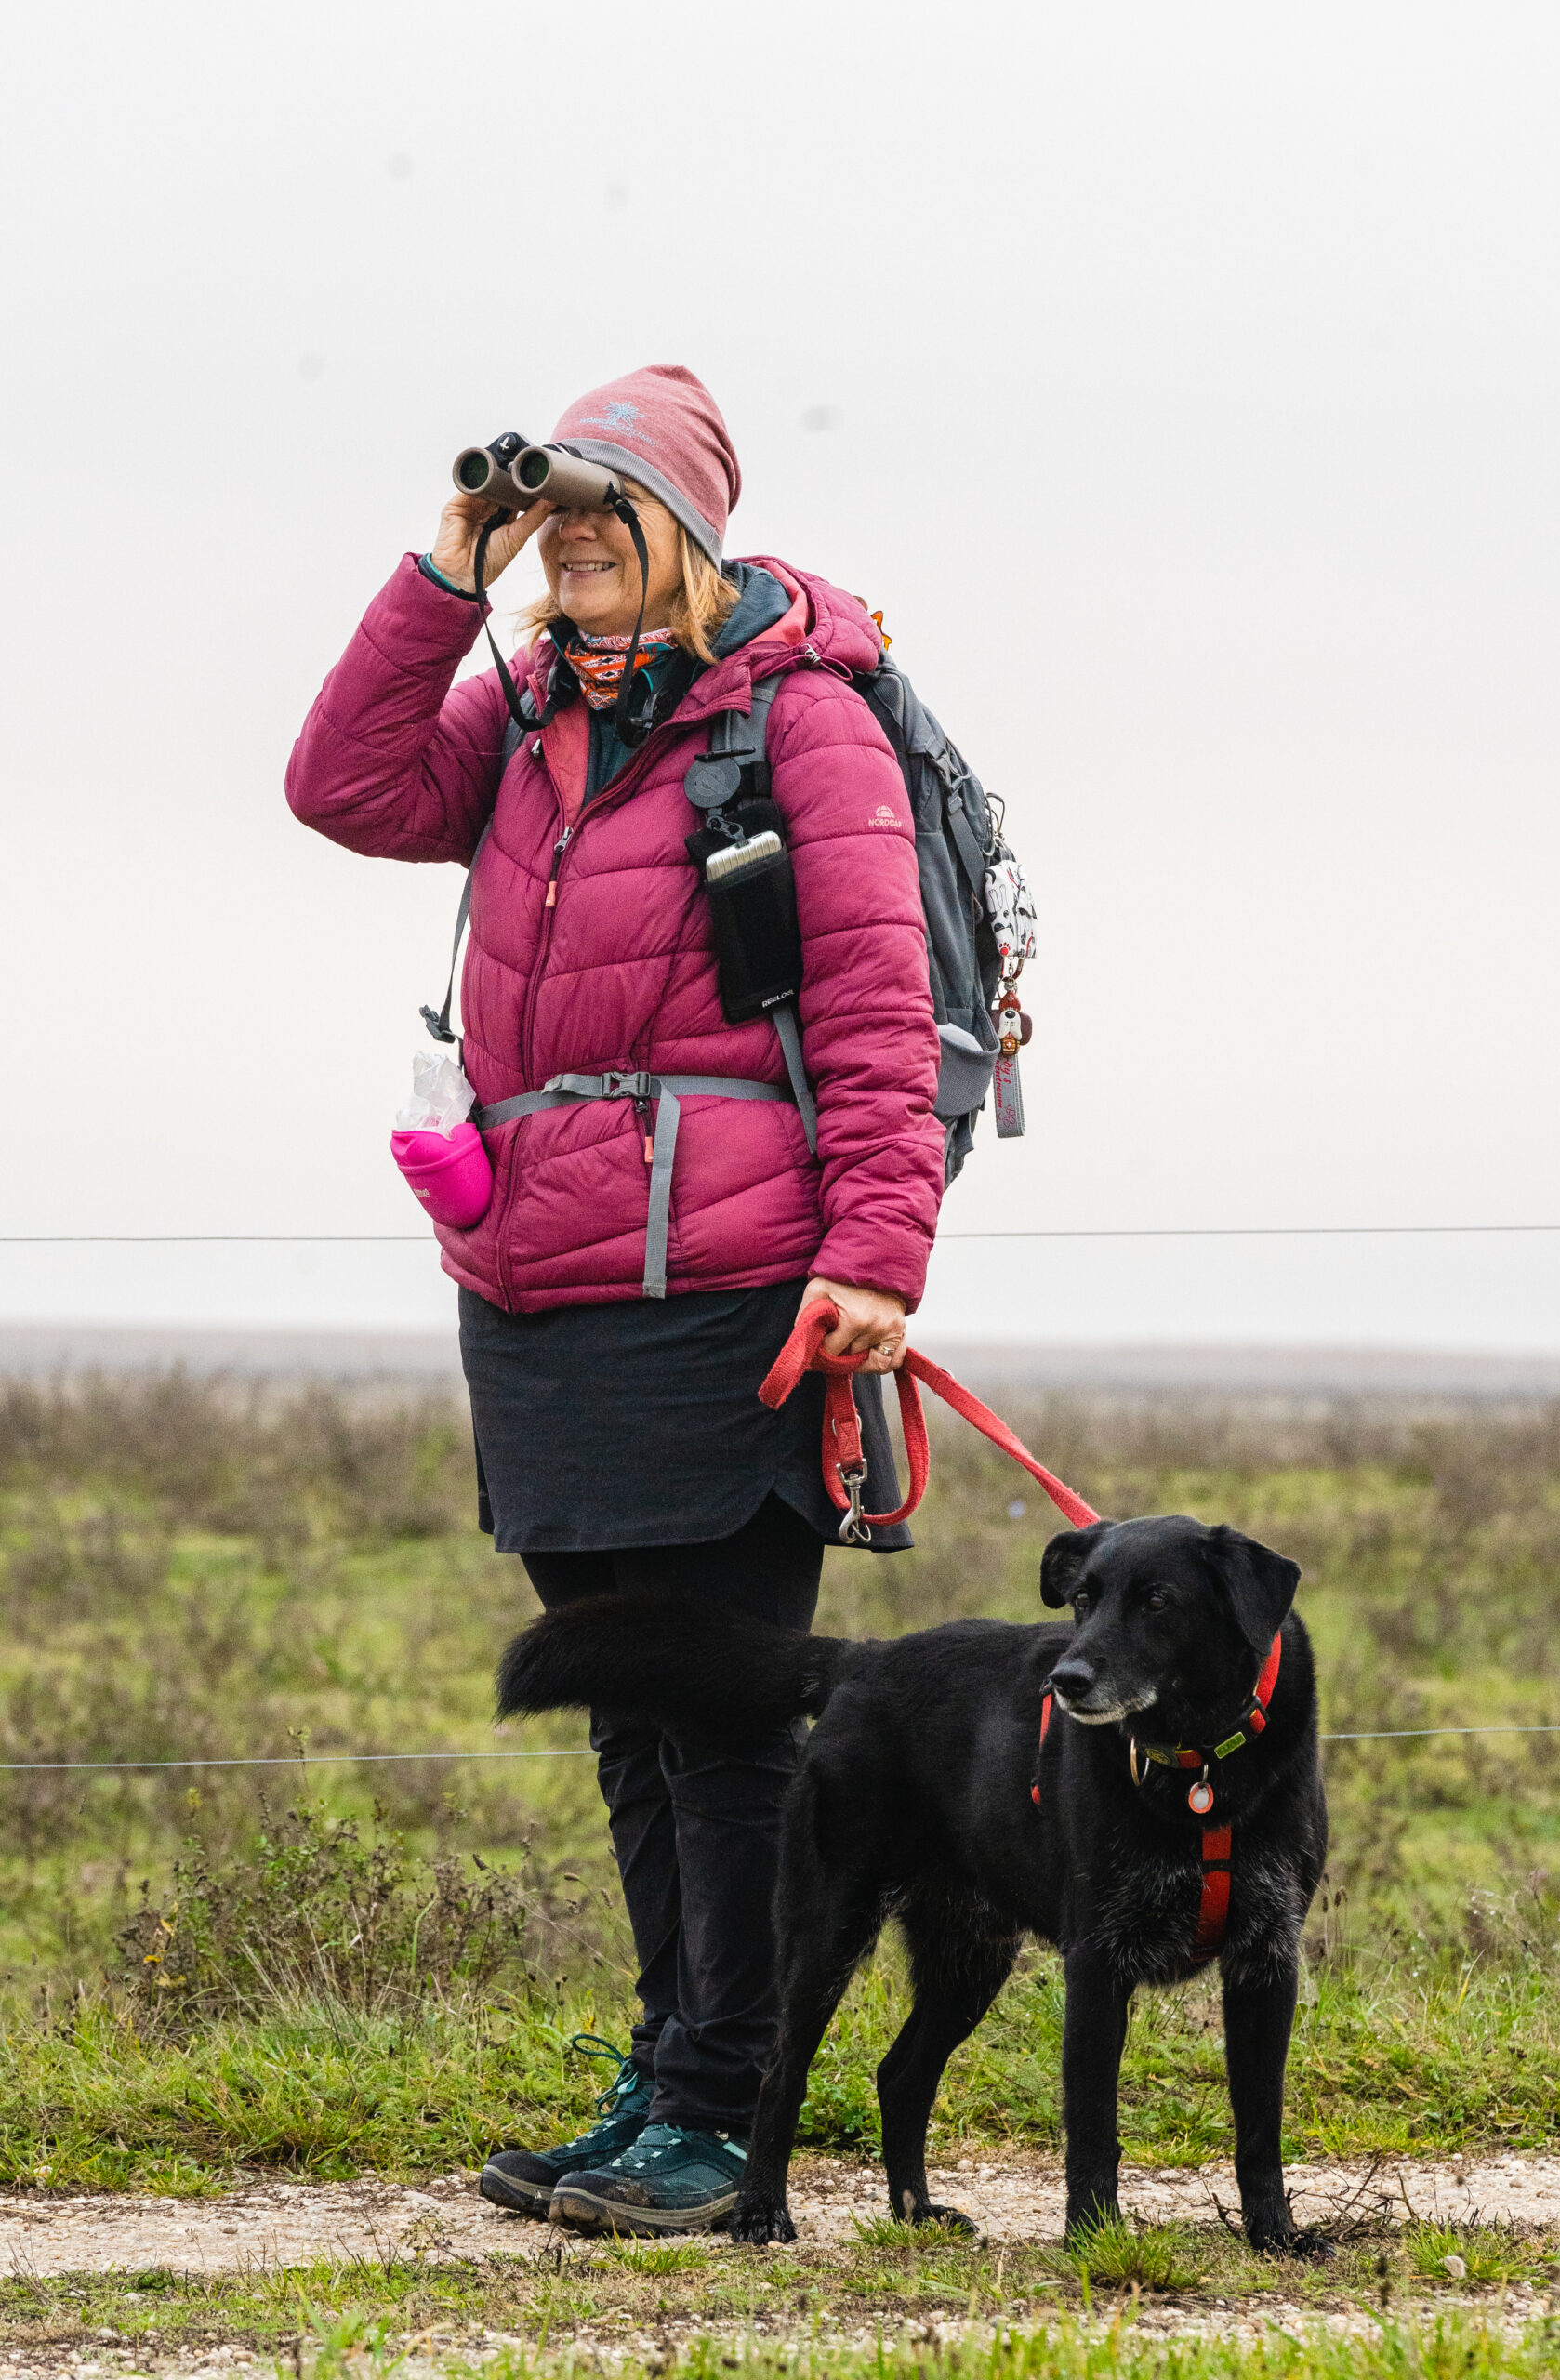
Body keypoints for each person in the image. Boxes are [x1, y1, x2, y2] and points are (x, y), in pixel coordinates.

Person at [286, 364, 944, 2235]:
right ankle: (671, 2071)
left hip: (729, 1281)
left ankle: (727, 2108)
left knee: (728, 1718)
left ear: (694, 530)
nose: (569, 538)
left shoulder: (798, 726)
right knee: (635, 1708)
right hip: (539, 1276)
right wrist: (442, 571)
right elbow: (339, 782)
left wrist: (874, 1254)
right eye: (548, 510)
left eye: (607, 507)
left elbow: (883, 1005)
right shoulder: (517, 713)